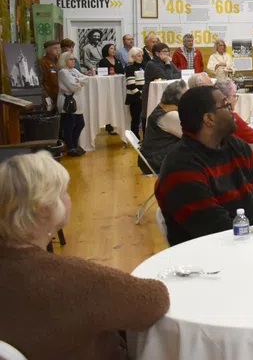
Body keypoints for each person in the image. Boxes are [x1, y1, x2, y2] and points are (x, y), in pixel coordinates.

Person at [0, 151, 170, 360]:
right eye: (65, 193)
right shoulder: (70, 280)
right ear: (45, 209)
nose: (70, 199)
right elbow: (155, 301)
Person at [155, 86, 253, 246]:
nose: (233, 109)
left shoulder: (236, 146)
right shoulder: (181, 168)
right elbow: (219, 233)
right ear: (209, 119)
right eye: (226, 105)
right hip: (210, 258)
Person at [141, 80, 186, 174]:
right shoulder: (170, 115)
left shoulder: (162, 108)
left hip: (155, 157)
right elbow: (193, 135)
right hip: (159, 161)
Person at [214, 79, 253, 145]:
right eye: (234, 96)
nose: (235, 99)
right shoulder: (231, 117)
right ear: (225, 99)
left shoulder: (210, 114)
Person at [57, 51, 89, 157]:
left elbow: (86, 79)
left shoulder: (74, 70)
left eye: (73, 59)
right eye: (70, 59)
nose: (73, 61)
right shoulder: (63, 72)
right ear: (64, 61)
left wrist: (77, 81)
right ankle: (70, 147)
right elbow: (72, 86)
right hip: (67, 102)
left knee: (80, 124)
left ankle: (75, 145)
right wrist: (79, 83)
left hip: (77, 101)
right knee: (69, 126)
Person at [142, 42, 181, 119]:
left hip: (163, 92)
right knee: (149, 116)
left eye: (168, 51)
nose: (167, 54)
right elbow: (168, 77)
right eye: (165, 51)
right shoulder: (152, 64)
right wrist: (167, 63)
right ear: (157, 53)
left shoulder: (167, 62)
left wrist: (170, 73)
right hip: (152, 94)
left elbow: (179, 74)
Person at [125, 47, 145, 138]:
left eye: (141, 56)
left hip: (143, 96)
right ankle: (135, 137)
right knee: (135, 119)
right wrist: (140, 95)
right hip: (135, 97)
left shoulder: (143, 67)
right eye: (138, 56)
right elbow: (130, 85)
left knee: (143, 118)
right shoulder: (130, 68)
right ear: (133, 57)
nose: (141, 57)